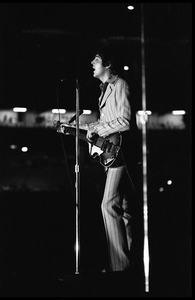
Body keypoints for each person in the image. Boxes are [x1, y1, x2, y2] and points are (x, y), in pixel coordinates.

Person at [60, 46, 141, 274]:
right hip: (113, 155)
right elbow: (102, 126)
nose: (92, 63)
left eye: (96, 59)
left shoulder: (121, 85)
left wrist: (99, 130)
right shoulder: (103, 91)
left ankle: (119, 268)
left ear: (108, 64)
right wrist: (73, 127)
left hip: (122, 154)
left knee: (108, 205)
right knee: (125, 210)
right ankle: (130, 267)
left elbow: (124, 121)